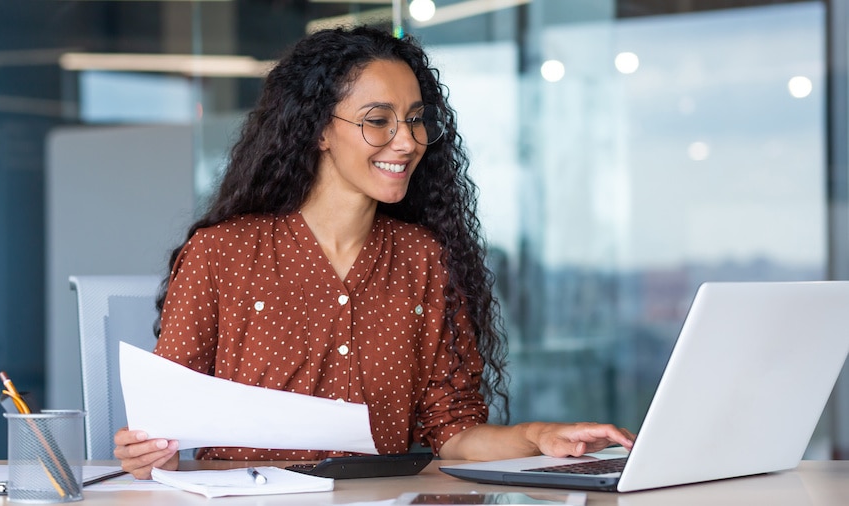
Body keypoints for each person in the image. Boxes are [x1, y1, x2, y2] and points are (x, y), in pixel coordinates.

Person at [115, 25, 634, 479]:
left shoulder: (423, 258)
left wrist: (538, 437)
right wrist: (150, 452)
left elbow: (452, 431)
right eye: (378, 120)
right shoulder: (220, 253)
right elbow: (165, 424)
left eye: (414, 119)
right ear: (319, 129)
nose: (406, 142)